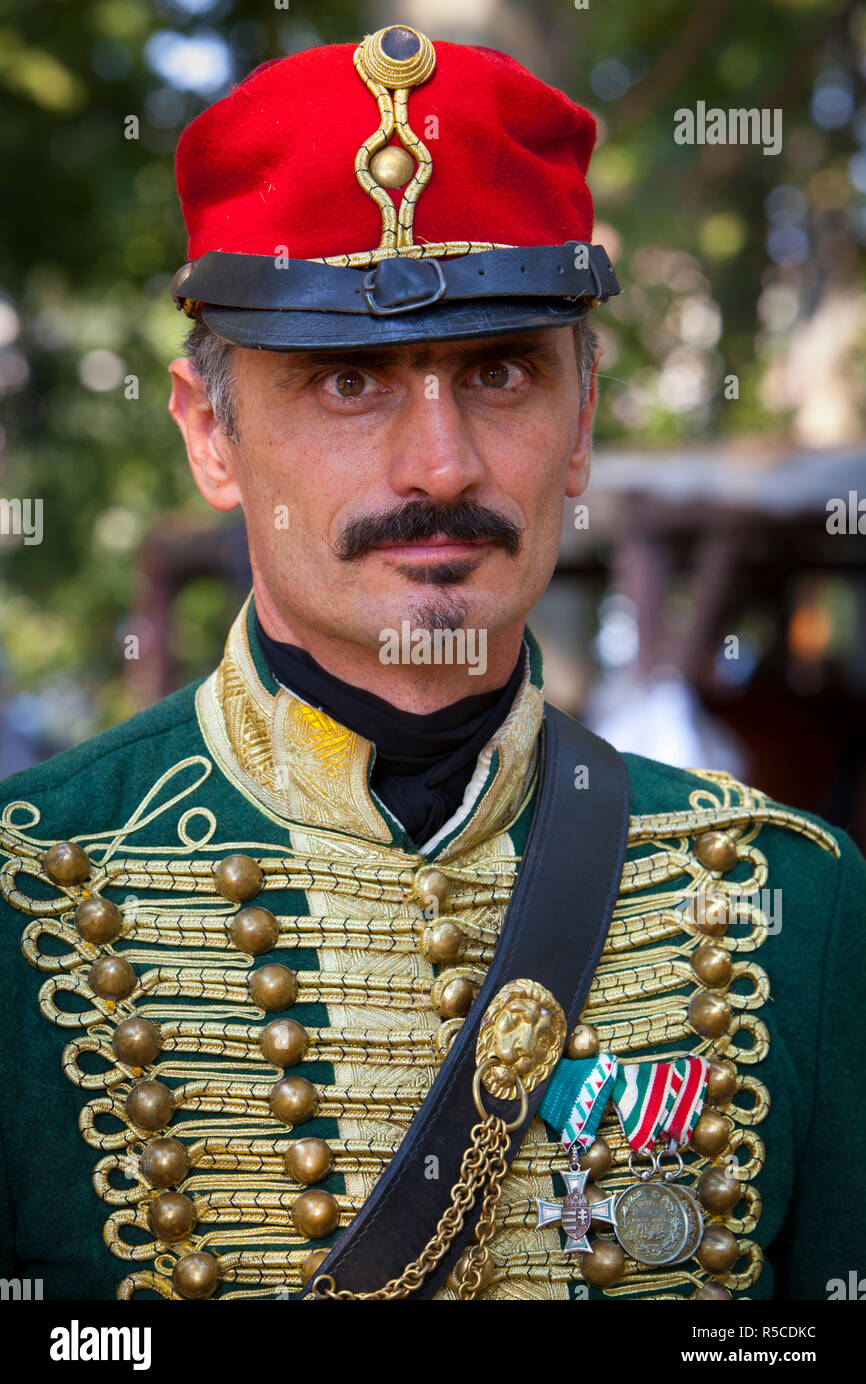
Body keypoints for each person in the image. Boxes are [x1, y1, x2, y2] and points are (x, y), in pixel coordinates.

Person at [0, 24, 863, 1304]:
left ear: (579, 421)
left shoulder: (800, 909)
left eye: (501, 372)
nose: (441, 467)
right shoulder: (25, 895)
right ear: (211, 437)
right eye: (349, 380)